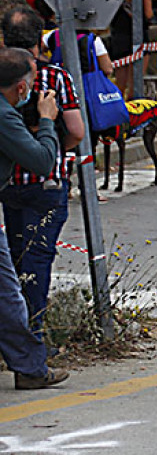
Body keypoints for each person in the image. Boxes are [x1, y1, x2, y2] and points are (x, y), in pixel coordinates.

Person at [0, 7, 85, 345]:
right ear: (40, 40)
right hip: (45, 184)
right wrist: (51, 145)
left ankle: (16, 338)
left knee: (13, 258)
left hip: (8, 185)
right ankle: (31, 338)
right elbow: (76, 131)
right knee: (36, 262)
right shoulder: (55, 77)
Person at [0, 46, 69, 389]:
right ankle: (29, 367)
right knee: (7, 293)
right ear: (22, 88)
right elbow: (42, 161)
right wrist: (46, 120)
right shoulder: (5, 115)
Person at [108, 0, 153, 100]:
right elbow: (149, 13)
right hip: (138, 36)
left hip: (119, 36)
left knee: (120, 84)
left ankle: (119, 108)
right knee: (136, 85)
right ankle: (133, 108)